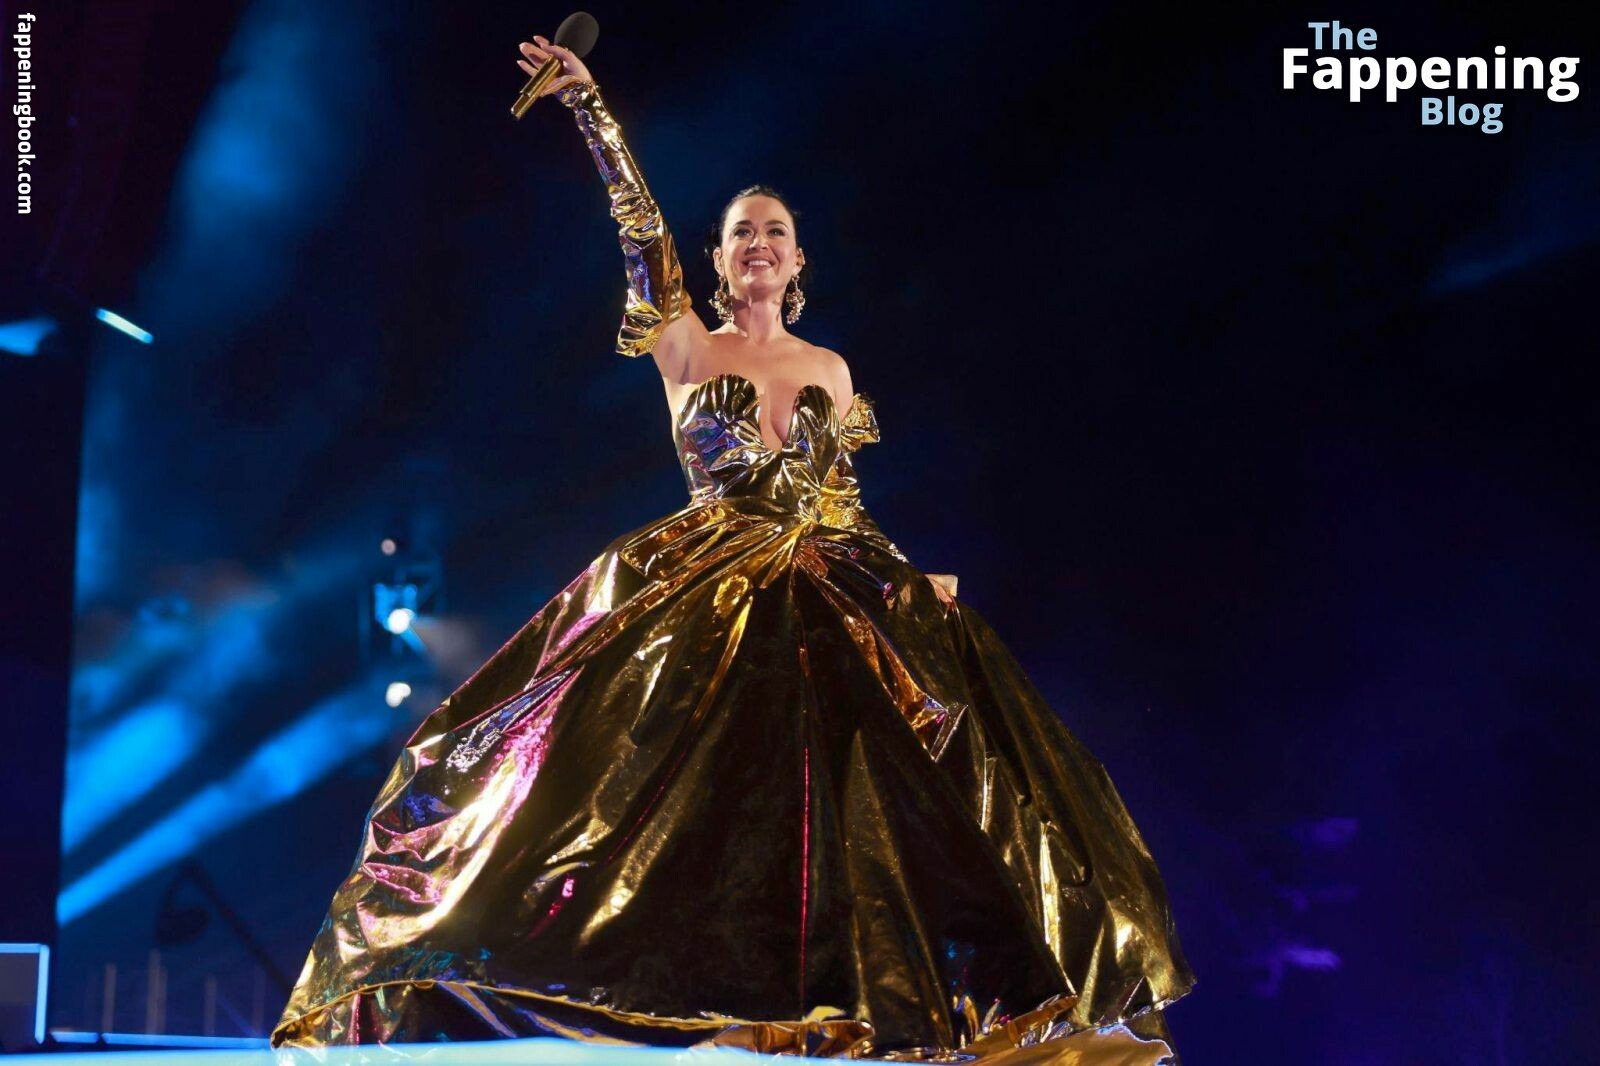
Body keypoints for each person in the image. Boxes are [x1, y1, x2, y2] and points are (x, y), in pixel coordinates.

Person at [271, 36, 1196, 1064]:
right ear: (716, 260)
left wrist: (901, 574)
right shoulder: (688, 349)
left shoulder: (830, 367)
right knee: (644, 792)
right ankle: (628, 997)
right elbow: (638, 233)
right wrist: (592, 111)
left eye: (775, 231)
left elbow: (841, 500)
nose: (758, 242)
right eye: (740, 231)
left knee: (910, 779)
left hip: (830, 579)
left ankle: (921, 1006)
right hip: (711, 581)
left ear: (797, 262)